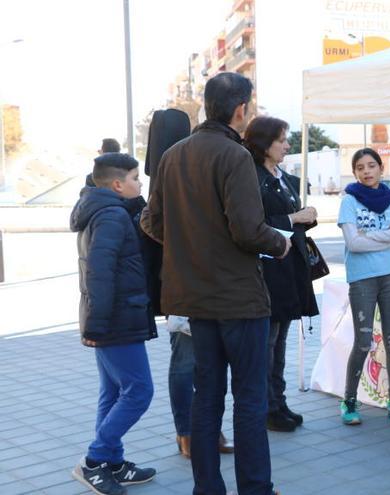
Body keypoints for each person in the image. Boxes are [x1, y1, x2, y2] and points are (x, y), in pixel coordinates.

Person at [140, 72, 290, 495]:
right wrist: (280, 244)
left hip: (193, 299)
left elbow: (151, 221)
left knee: (206, 398)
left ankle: (207, 488)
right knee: (249, 401)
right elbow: (247, 229)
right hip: (238, 299)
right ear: (241, 109)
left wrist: (192, 245)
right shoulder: (235, 155)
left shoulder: (173, 155)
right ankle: (256, 488)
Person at [70, 153, 157, 495]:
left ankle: (112, 462)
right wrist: (98, 325)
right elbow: (99, 273)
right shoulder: (111, 216)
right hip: (115, 319)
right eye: (137, 178)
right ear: (118, 184)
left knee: (113, 391)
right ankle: (94, 461)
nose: (140, 183)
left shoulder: (107, 211)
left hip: (112, 317)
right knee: (139, 391)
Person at [243, 116, 320, 433]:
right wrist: (294, 217)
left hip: (290, 265)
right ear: (264, 143)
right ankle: (267, 407)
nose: (287, 144)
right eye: (282, 139)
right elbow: (255, 223)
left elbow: (289, 217)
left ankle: (279, 402)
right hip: (267, 268)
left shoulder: (282, 176)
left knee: (281, 339)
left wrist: (305, 217)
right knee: (268, 341)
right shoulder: (250, 176)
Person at [337, 147, 390, 426]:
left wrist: (370, 234)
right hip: (362, 279)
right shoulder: (349, 201)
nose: (366, 171)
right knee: (364, 341)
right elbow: (353, 243)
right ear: (355, 172)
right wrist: (387, 236)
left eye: (371, 166)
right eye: (360, 167)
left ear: (381, 168)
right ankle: (349, 400)